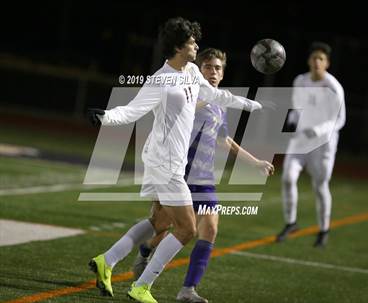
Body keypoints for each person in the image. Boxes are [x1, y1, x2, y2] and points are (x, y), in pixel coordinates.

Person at [86, 17, 262, 303]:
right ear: (179, 46)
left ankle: (108, 260)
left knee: (158, 221)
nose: (196, 45)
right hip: (163, 164)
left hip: (173, 163)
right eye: (192, 41)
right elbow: (132, 111)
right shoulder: (160, 80)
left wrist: (246, 103)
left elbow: (213, 94)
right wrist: (105, 117)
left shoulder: (192, 71)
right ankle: (142, 286)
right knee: (188, 228)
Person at [131, 48, 274, 303]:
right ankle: (145, 249)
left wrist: (255, 162)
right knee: (162, 226)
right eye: (208, 66)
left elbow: (224, 141)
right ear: (199, 69)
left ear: (223, 72)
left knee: (209, 230)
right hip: (176, 173)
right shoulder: (187, 92)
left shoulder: (220, 106)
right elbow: (182, 112)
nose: (213, 72)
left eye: (218, 68)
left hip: (203, 179)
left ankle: (188, 290)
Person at [276, 42, 345, 247]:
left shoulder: (333, 87)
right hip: (301, 140)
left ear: (327, 63)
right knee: (288, 178)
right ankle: (291, 222)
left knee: (320, 185)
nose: (317, 62)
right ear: (308, 61)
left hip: (324, 144)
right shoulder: (300, 81)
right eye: (314, 58)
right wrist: (291, 121)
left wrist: (319, 130)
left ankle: (323, 229)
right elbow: (298, 107)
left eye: (321, 59)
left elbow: (340, 120)